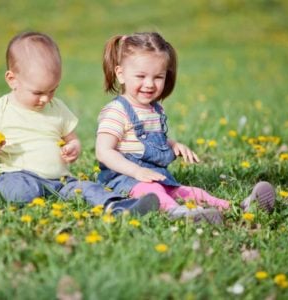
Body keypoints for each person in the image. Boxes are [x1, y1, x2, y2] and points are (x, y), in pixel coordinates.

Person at [0, 31, 160, 216]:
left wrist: (73, 148)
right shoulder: (0, 109)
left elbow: (72, 139)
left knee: (87, 188)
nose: (46, 98)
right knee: (18, 193)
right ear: (12, 80)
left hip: (61, 179)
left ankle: (119, 206)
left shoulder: (57, 108)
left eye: (52, 90)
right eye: (38, 92)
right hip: (21, 175)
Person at [95, 32, 276, 223]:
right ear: (121, 74)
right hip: (124, 180)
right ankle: (179, 214)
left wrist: (173, 145)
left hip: (155, 176)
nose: (149, 84)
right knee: (155, 192)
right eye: (141, 76)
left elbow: (145, 141)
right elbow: (104, 151)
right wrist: (136, 172)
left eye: (158, 77)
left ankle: (240, 207)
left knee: (192, 192)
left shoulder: (154, 109)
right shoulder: (117, 111)